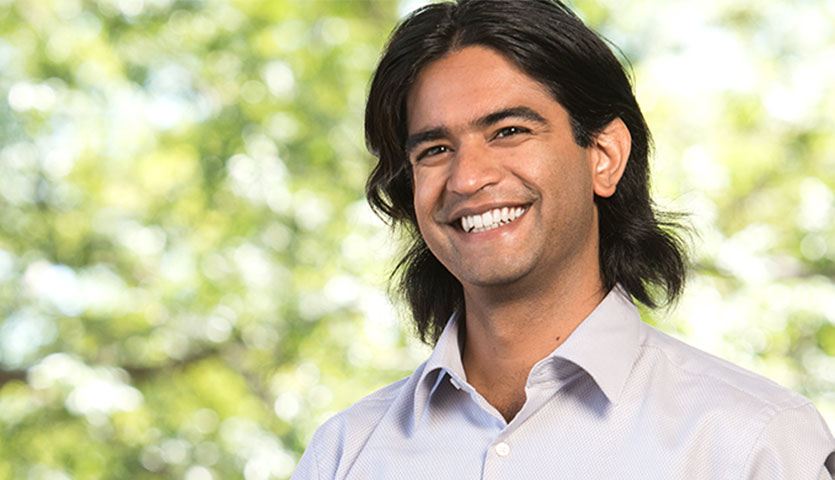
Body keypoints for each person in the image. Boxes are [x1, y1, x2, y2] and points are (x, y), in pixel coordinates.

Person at [292, 0, 835, 478]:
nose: (467, 178)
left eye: (509, 131)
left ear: (604, 156)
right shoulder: (343, 455)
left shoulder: (753, 444)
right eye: (434, 150)